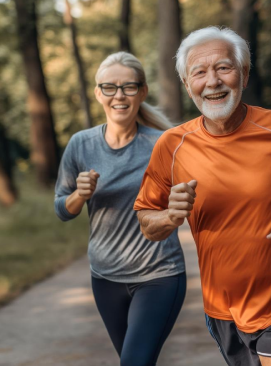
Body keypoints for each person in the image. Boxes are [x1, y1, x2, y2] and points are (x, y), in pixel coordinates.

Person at [134, 26, 271, 366]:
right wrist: (169, 216)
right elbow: (146, 222)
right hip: (221, 309)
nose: (212, 81)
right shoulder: (172, 145)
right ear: (187, 84)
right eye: (199, 72)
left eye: (224, 68)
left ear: (244, 74)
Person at [54, 51, 186, 366]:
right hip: (105, 278)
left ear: (142, 92)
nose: (119, 95)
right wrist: (79, 195)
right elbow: (62, 208)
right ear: (98, 93)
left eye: (129, 87)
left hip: (159, 274)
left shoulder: (162, 144)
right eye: (110, 87)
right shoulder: (81, 144)